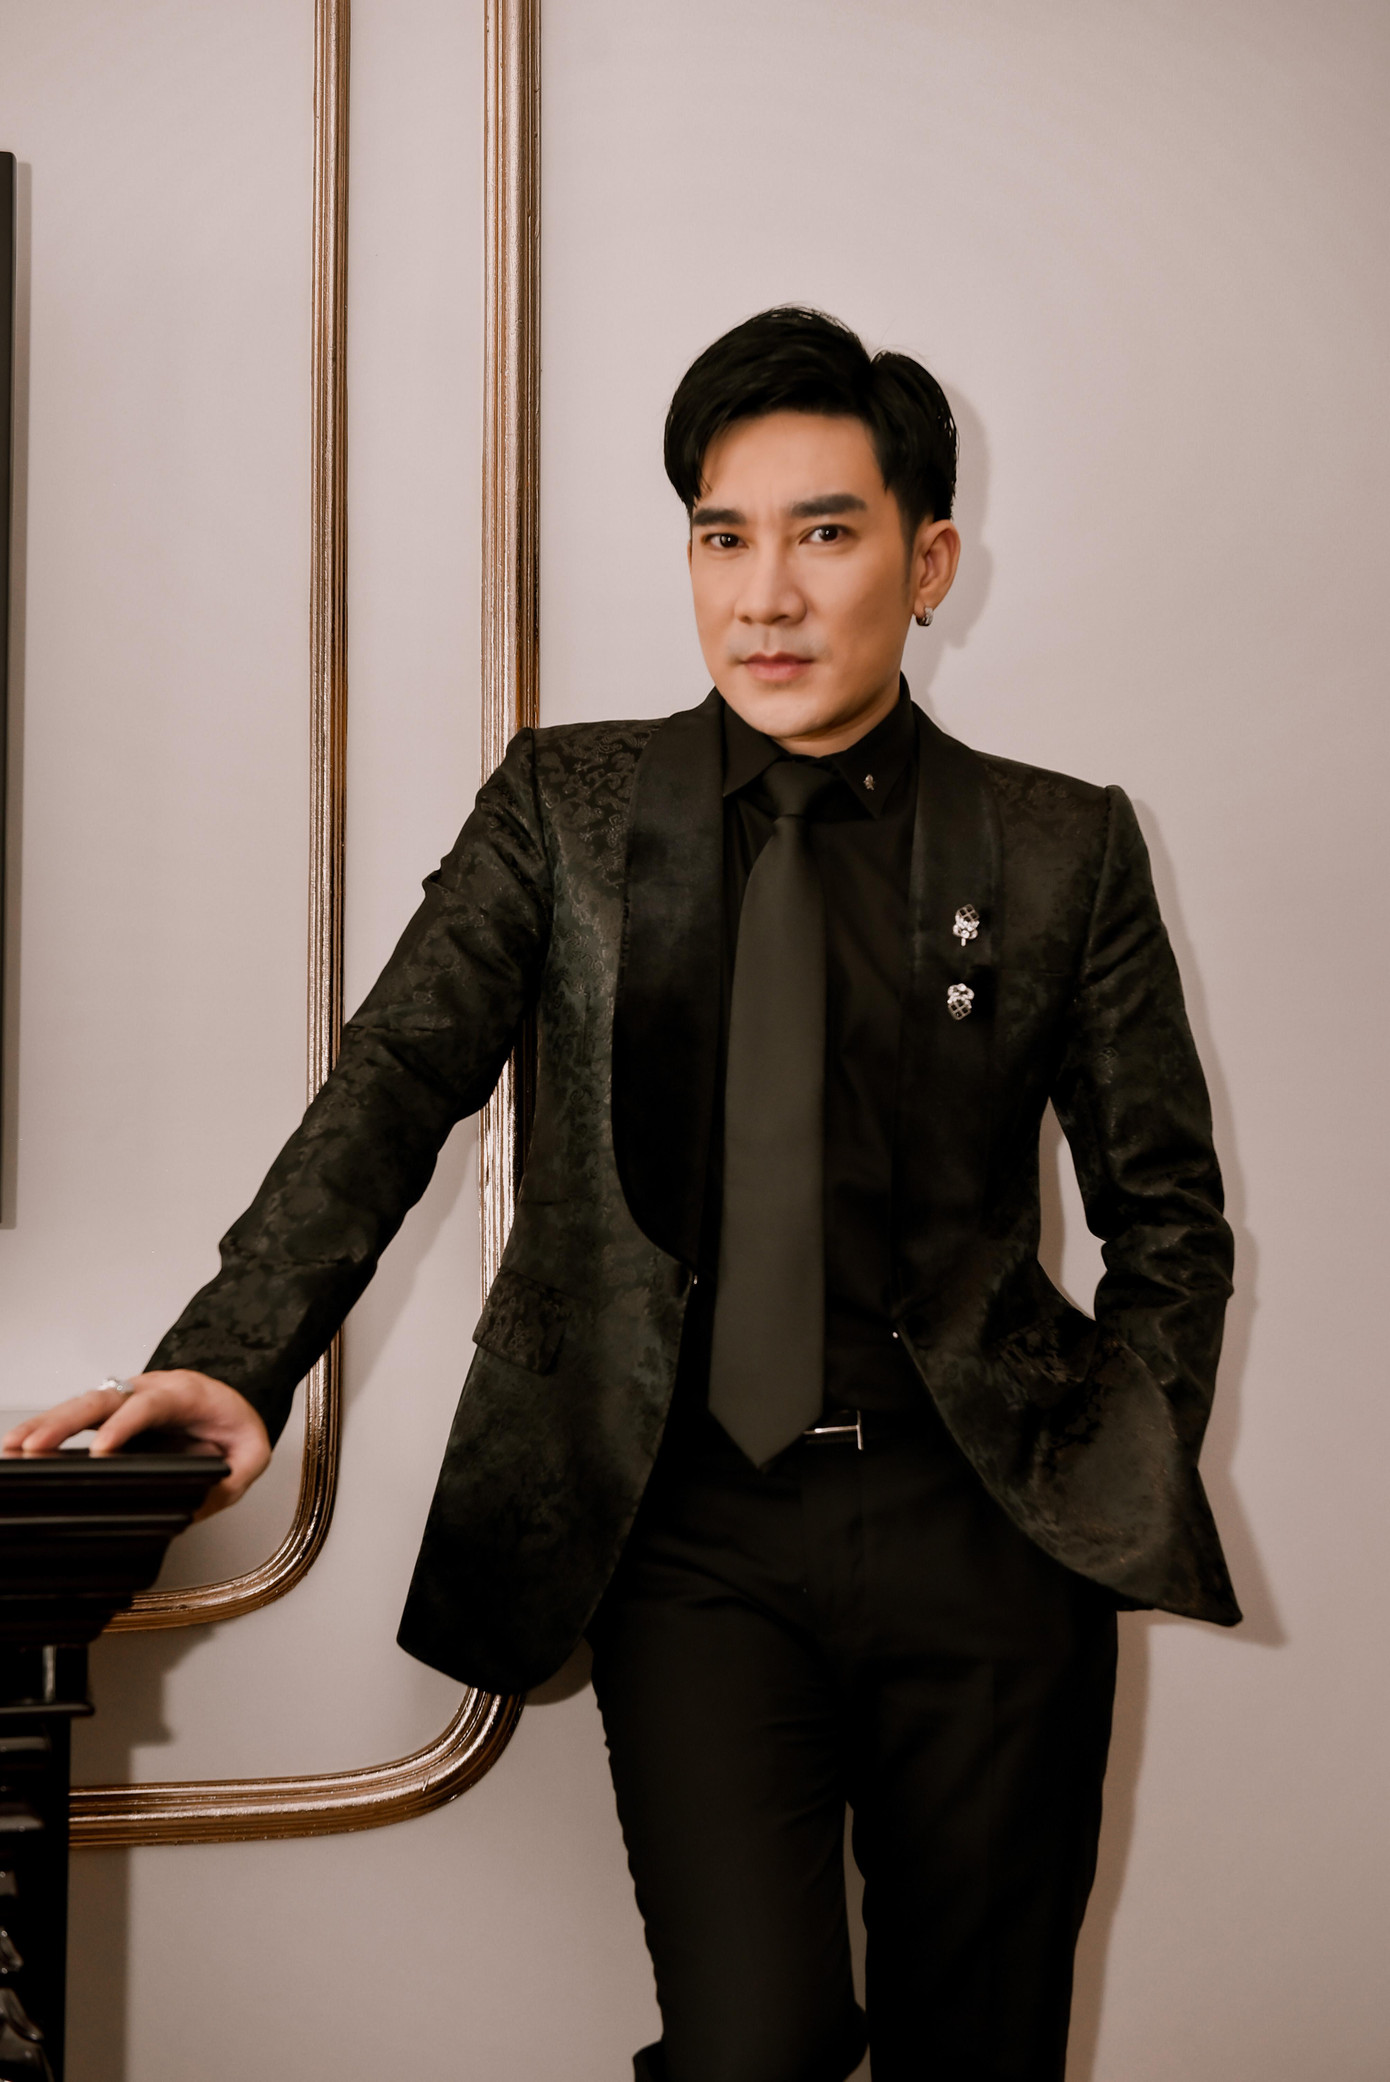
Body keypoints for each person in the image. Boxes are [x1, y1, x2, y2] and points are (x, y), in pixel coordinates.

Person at [6, 308, 1239, 2082]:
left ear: (927, 561)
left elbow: (1167, 1211)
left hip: (979, 1536)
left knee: (984, 2050)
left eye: (824, 532)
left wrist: (1104, 1468)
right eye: (720, 538)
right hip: (688, 1531)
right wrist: (232, 1353)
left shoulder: (1060, 844)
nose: (764, 596)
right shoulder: (564, 808)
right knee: (755, 2042)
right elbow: (394, 1083)